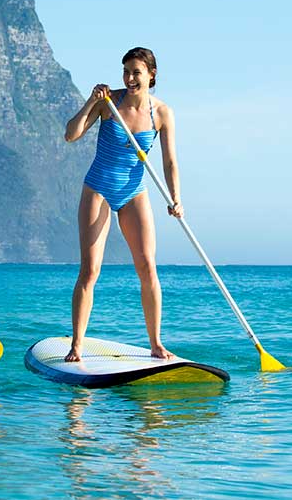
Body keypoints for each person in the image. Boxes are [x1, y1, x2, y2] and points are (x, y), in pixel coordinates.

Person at [63, 47, 183, 362]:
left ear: (151, 75)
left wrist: (175, 199)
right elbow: (70, 135)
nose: (130, 78)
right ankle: (76, 345)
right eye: (126, 72)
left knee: (147, 268)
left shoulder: (162, 113)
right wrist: (92, 100)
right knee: (90, 270)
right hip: (99, 190)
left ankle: (156, 344)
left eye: (136, 72)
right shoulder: (109, 103)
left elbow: (169, 162)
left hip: (134, 193)